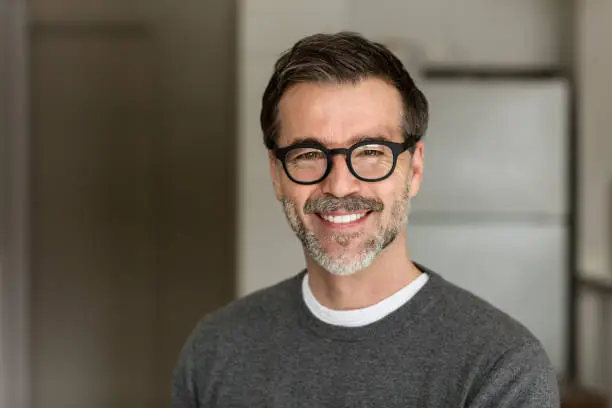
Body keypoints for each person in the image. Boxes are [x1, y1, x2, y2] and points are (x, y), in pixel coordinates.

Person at [172, 32, 560, 407]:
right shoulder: (215, 351)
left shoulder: (500, 367)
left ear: (416, 168)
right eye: (308, 154)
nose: (339, 186)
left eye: (371, 151)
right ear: (276, 173)